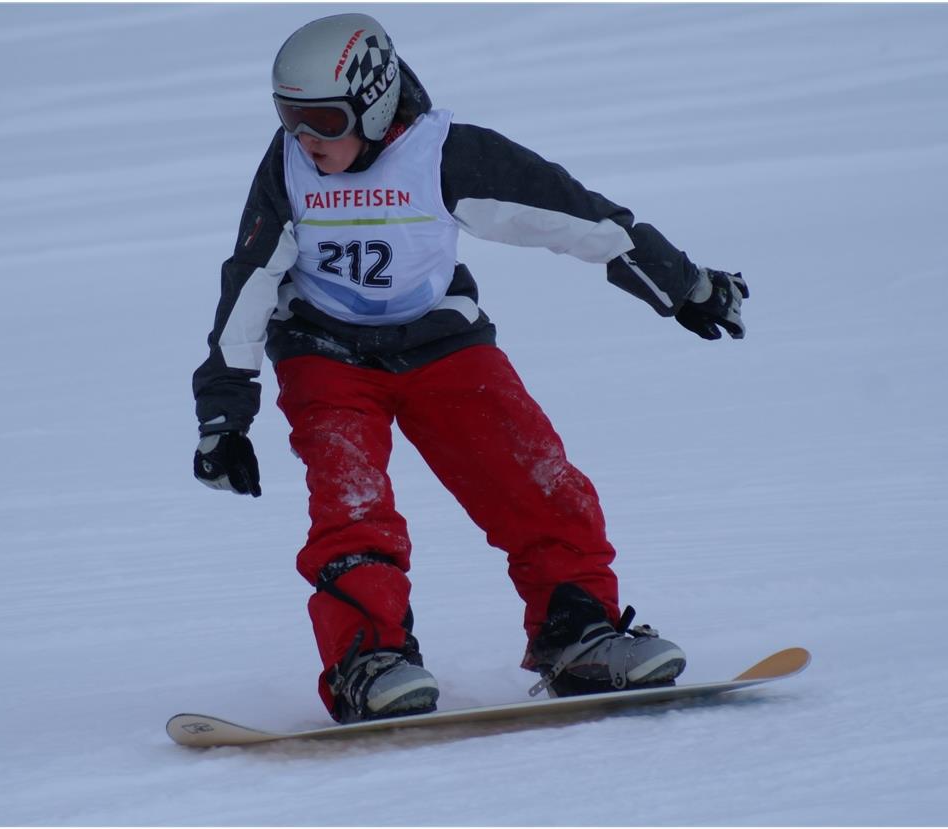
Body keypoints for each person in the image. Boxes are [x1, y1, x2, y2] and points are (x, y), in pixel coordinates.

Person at [192, 13, 748, 724]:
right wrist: (223, 415)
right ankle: (371, 656)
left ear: (375, 99)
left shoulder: (444, 155)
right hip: (324, 352)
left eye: (324, 120)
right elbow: (248, 281)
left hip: (441, 344)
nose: (307, 139)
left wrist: (685, 285)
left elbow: (579, 218)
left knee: (536, 476)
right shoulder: (288, 168)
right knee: (350, 502)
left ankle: (576, 631)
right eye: (290, 117)